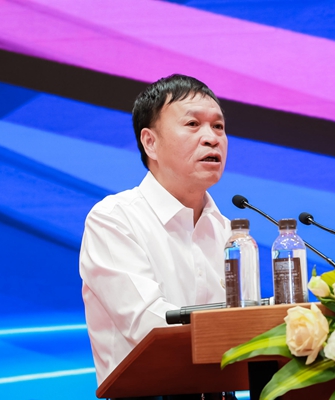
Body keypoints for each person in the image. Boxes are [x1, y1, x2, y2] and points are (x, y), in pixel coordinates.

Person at [79, 74, 233, 399]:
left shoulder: (227, 229)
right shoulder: (114, 219)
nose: (211, 138)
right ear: (150, 142)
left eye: (218, 126)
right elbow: (148, 327)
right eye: (193, 124)